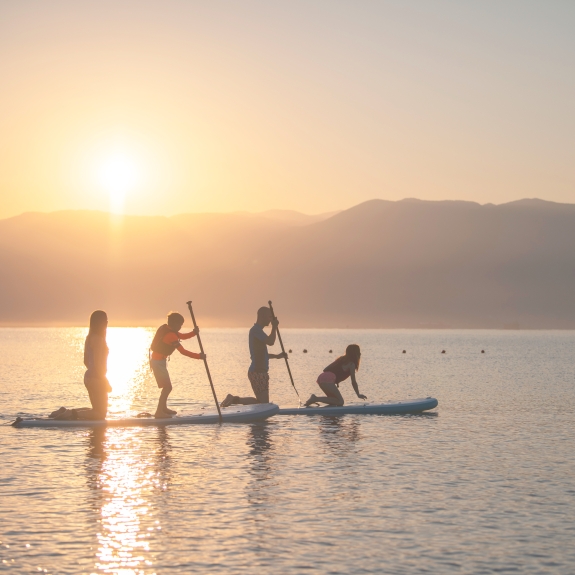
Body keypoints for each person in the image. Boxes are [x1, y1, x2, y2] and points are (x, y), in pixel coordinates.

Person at [220, 307, 286, 407]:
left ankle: (234, 399)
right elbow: (271, 342)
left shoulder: (258, 331)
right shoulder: (255, 330)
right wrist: (274, 327)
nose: (270, 319)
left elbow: (262, 355)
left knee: (261, 403)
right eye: (269, 316)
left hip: (260, 372)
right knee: (264, 404)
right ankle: (233, 399)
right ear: (262, 316)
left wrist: (277, 356)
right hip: (257, 372)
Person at [150, 312, 205, 418]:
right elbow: (183, 351)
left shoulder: (168, 329)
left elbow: (182, 336)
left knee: (167, 387)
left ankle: (163, 408)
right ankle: (159, 412)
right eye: (180, 325)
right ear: (174, 324)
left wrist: (194, 333)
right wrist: (199, 356)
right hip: (158, 362)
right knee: (167, 387)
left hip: (158, 361)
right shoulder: (171, 335)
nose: (180, 327)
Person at [82, 309, 112, 419]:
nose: (107, 323)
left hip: (88, 377)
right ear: (100, 323)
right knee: (100, 415)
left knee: (96, 411)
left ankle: (66, 412)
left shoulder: (89, 338)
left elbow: (86, 361)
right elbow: (99, 365)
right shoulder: (99, 340)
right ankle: (71, 414)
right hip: (97, 379)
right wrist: (104, 380)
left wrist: (93, 373)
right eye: (106, 321)